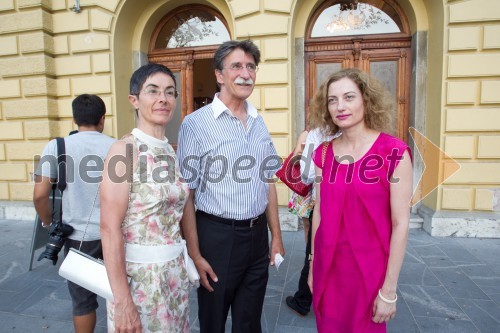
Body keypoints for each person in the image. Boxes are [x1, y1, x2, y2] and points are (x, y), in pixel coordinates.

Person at [177, 39, 285, 333]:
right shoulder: (195, 124)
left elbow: (268, 182)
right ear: (219, 75)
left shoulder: (258, 120)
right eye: (236, 65)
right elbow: (188, 193)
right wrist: (195, 254)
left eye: (251, 67)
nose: (245, 73)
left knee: (249, 323)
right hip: (217, 238)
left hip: (256, 238)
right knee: (213, 322)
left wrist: (275, 235)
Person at [307, 68, 413, 332]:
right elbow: (319, 210)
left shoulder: (394, 152)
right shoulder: (322, 153)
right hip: (328, 269)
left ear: (366, 100)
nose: (340, 106)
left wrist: (389, 290)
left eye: (349, 97)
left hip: (370, 272)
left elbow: (401, 224)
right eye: (332, 100)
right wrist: (312, 264)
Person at [100, 63, 191, 332]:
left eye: (170, 92)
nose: (163, 98)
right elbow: (108, 228)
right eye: (153, 91)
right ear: (134, 100)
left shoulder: (170, 151)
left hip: (173, 276)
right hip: (140, 282)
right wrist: (123, 300)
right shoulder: (123, 150)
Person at [33, 94, 115, 333]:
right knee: (120, 293)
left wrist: (49, 223)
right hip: (116, 234)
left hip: (77, 237)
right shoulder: (118, 146)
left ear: (74, 119)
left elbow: (39, 195)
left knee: (82, 301)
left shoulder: (57, 146)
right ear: (102, 119)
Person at [285, 127, 337, 317]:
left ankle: (302, 300)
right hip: (351, 206)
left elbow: (305, 171)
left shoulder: (316, 134)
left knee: (313, 253)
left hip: (322, 202)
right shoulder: (363, 134)